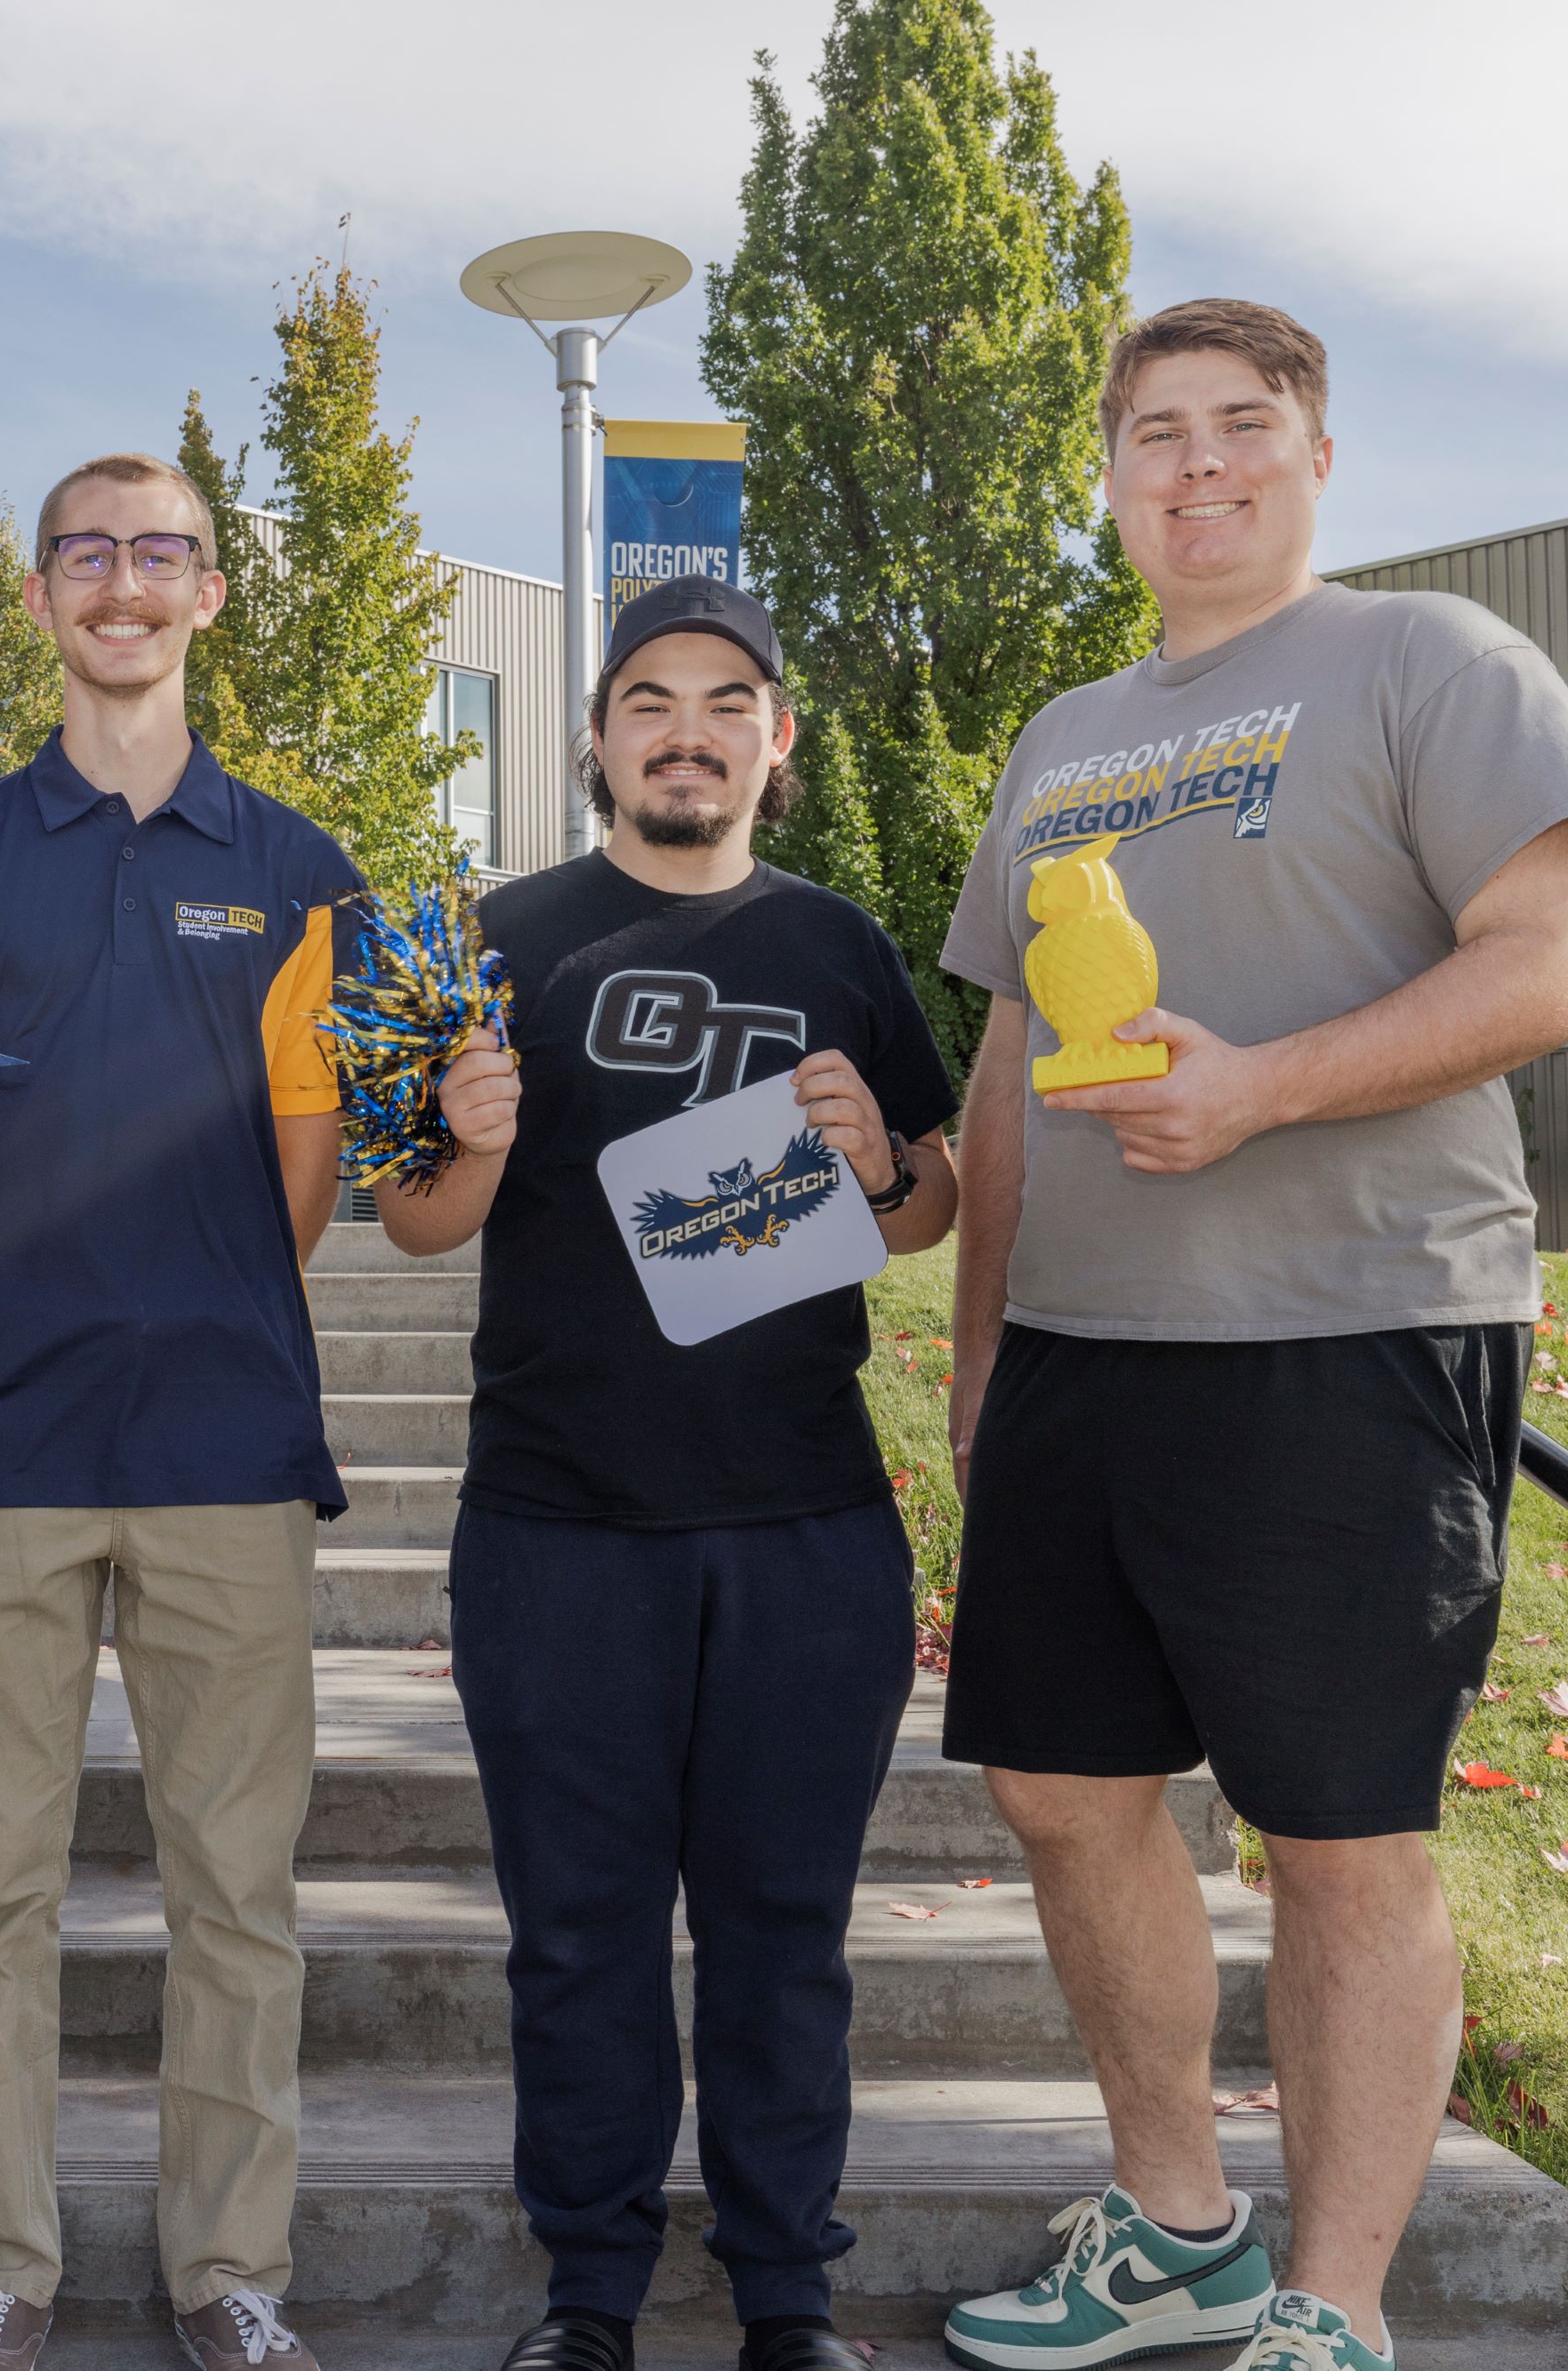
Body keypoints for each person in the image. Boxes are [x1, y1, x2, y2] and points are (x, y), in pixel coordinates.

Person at [931, 301, 1568, 2371]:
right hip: (1080, 1348)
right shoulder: (1060, 733)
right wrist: (977, 1342)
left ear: (1313, 455)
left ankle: (1329, 2304)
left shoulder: (1430, 661)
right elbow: (997, 1059)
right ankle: (1171, 2228)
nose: (1198, 463)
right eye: (1155, 433)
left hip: (1352, 1327)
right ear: (1113, 479)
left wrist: (1262, 1086)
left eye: (1242, 425)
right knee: (1059, 1790)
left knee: (1335, 1829)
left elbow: (1550, 964)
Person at [374, 578, 957, 2371]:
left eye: (723, 699)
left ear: (772, 740)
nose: (684, 728)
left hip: (804, 1525)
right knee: (577, 1937)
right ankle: (590, 2299)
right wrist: (463, 1137)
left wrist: (875, 1171)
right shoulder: (487, 931)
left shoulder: (840, 939)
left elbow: (929, 1206)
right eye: (647, 699)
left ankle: (787, 2301)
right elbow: (410, 1218)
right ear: (597, 739)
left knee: (784, 1936)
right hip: (556, 1527)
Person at [0, 453, 357, 2371]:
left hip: (226, 1438)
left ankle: (231, 2271)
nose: (124, 583)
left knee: (239, 1889)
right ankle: (2, 2263)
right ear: (44, 591)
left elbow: (307, 1166)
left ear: (210, 593)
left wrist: (200, 1290)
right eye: (89, 553)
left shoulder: (297, 869)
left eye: (162, 554)